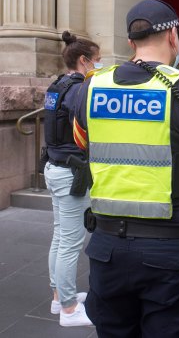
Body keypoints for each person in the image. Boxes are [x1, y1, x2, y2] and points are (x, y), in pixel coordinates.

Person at [72, 0, 179, 337]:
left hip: (107, 248)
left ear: (131, 42)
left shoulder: (91, 87)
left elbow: (83, 144)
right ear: (173, 36)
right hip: (172, 250)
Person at [43, 30, 101, 327]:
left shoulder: (56, 86)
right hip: (70, 172)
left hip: (55, 167)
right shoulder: (79, 89)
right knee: (70, 242)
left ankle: (58, 297)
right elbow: (89, 128)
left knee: (60, 236)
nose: (98, 65)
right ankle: (68, 309)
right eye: (97, 60)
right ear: (83, 60)